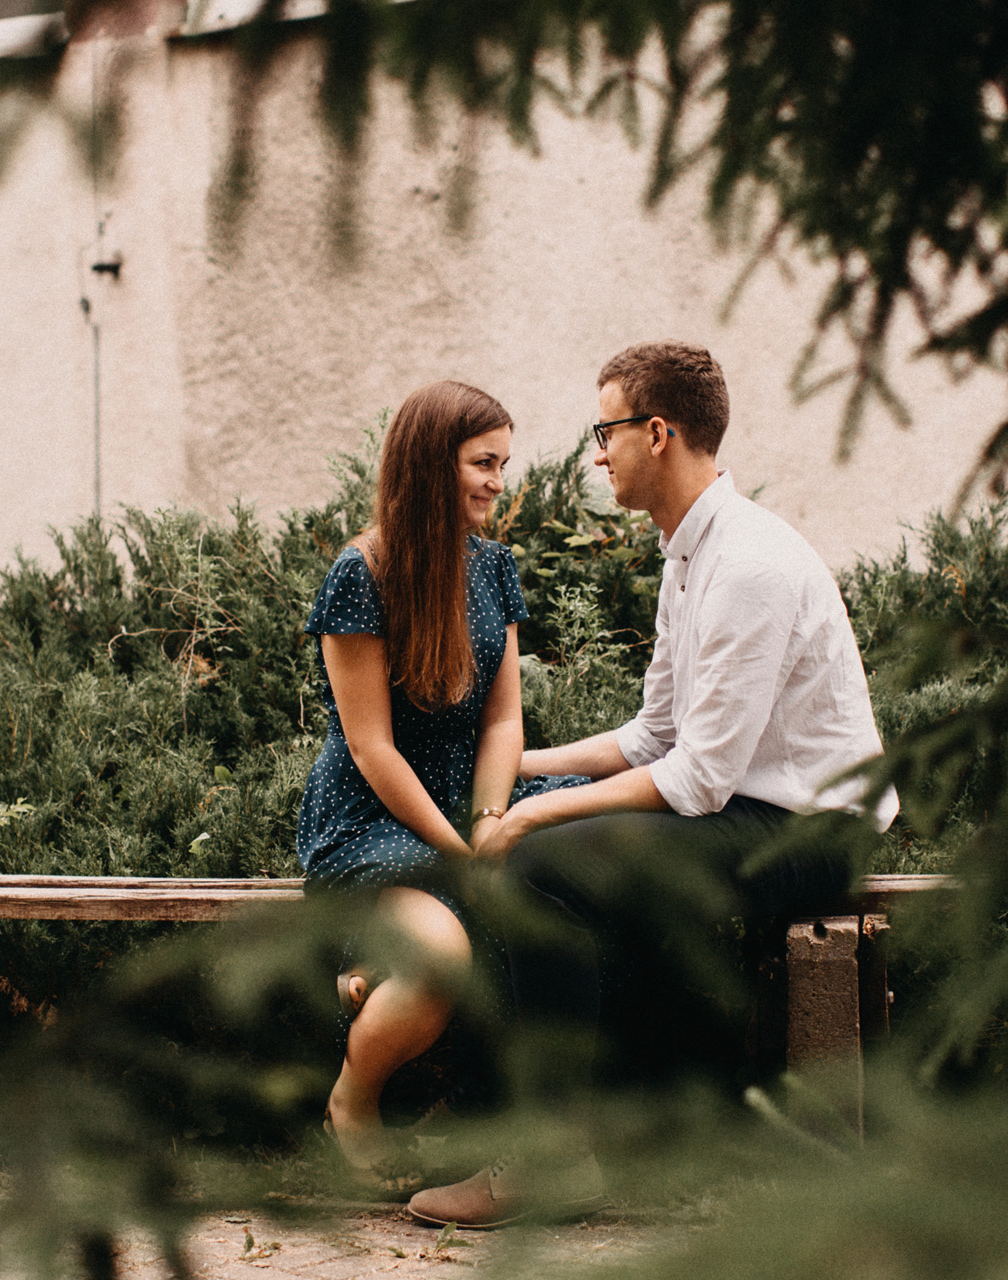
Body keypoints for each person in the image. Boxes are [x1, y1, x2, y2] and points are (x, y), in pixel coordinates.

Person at [407, 341, 898, 1228]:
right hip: (749, 810)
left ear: (658, 432)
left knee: (537, 863)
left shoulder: (749, 564)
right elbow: (654, 736)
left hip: (811, 831)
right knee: (530, 848)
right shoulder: (688, 551)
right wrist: (517, 770)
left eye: (608, 430)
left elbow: (699, 778)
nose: (598, 453)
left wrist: (536, 817)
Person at [298, 380, 586, 1192]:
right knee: (441, 957)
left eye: (504, 462)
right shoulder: (362, 573)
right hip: (373, 816)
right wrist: (462, 850)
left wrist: (493, 819)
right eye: (483, 463)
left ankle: (500, 1121)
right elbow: (371, 748)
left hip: (471, 796)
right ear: (431, 465)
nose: (500, 480)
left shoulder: (495, 567)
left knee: (571, 882)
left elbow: (503, 724)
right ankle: (351, 1104)